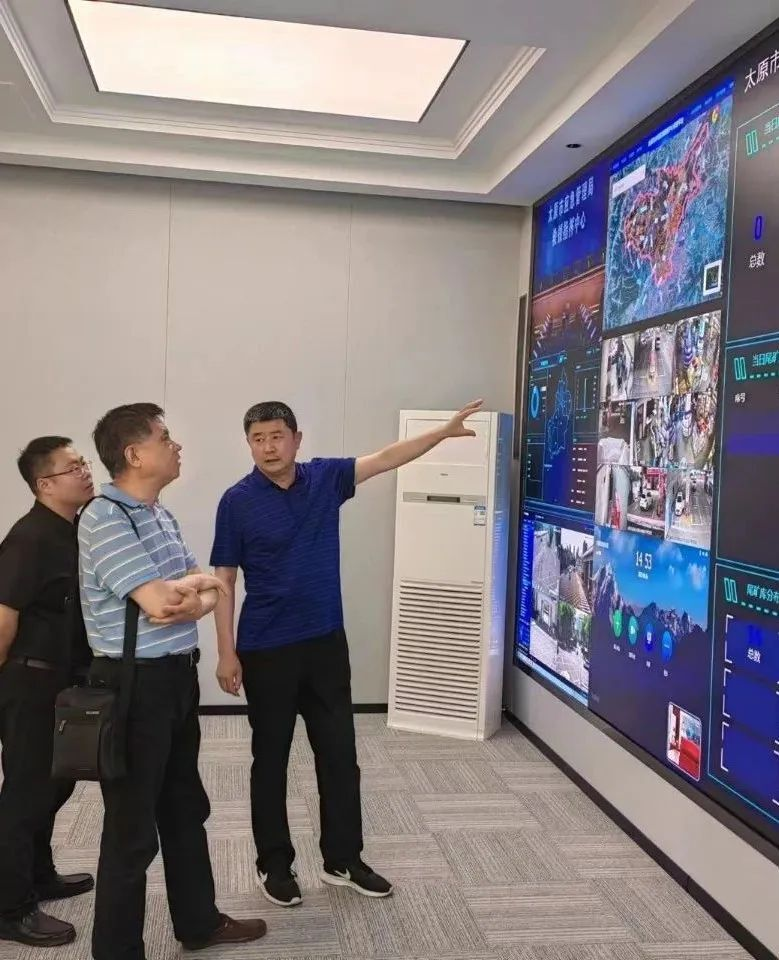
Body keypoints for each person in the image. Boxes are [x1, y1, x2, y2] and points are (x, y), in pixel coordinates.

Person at [210, 399, 482, 907]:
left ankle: (343, 859)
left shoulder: (325, 479)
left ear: (296, 439)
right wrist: (226, 652)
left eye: (276, 436)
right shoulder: (237, 501)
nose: (268, 447)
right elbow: (223, 578)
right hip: (266, 648)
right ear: (249, 445)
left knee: (339, 757)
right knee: (270, 760)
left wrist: (442, 433)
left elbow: (385, 458)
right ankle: (275, 864)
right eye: (257, 439)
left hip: (325, 645)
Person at [78, 404, 267, 960]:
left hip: (175, 681)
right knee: (132, 829)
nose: (177, 446)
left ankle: (198, 922)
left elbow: (204, 592)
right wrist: (192, 593)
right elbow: (163, 604)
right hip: (133, 687)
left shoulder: (159, 514)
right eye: (165, 438)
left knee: (185, 808)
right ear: (135, 454)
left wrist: (195, 593)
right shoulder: (105, 517)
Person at [0, 438, 96, 947]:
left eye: (83, 462)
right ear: (45, 484)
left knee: (55, 784)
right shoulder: (29, 539)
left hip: (60, 681)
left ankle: (39, 873)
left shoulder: (71, 530)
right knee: (25, 793)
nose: (85, 471)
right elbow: (3, 620)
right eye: (73, 466)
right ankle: (10, 908)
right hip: (28, 682)